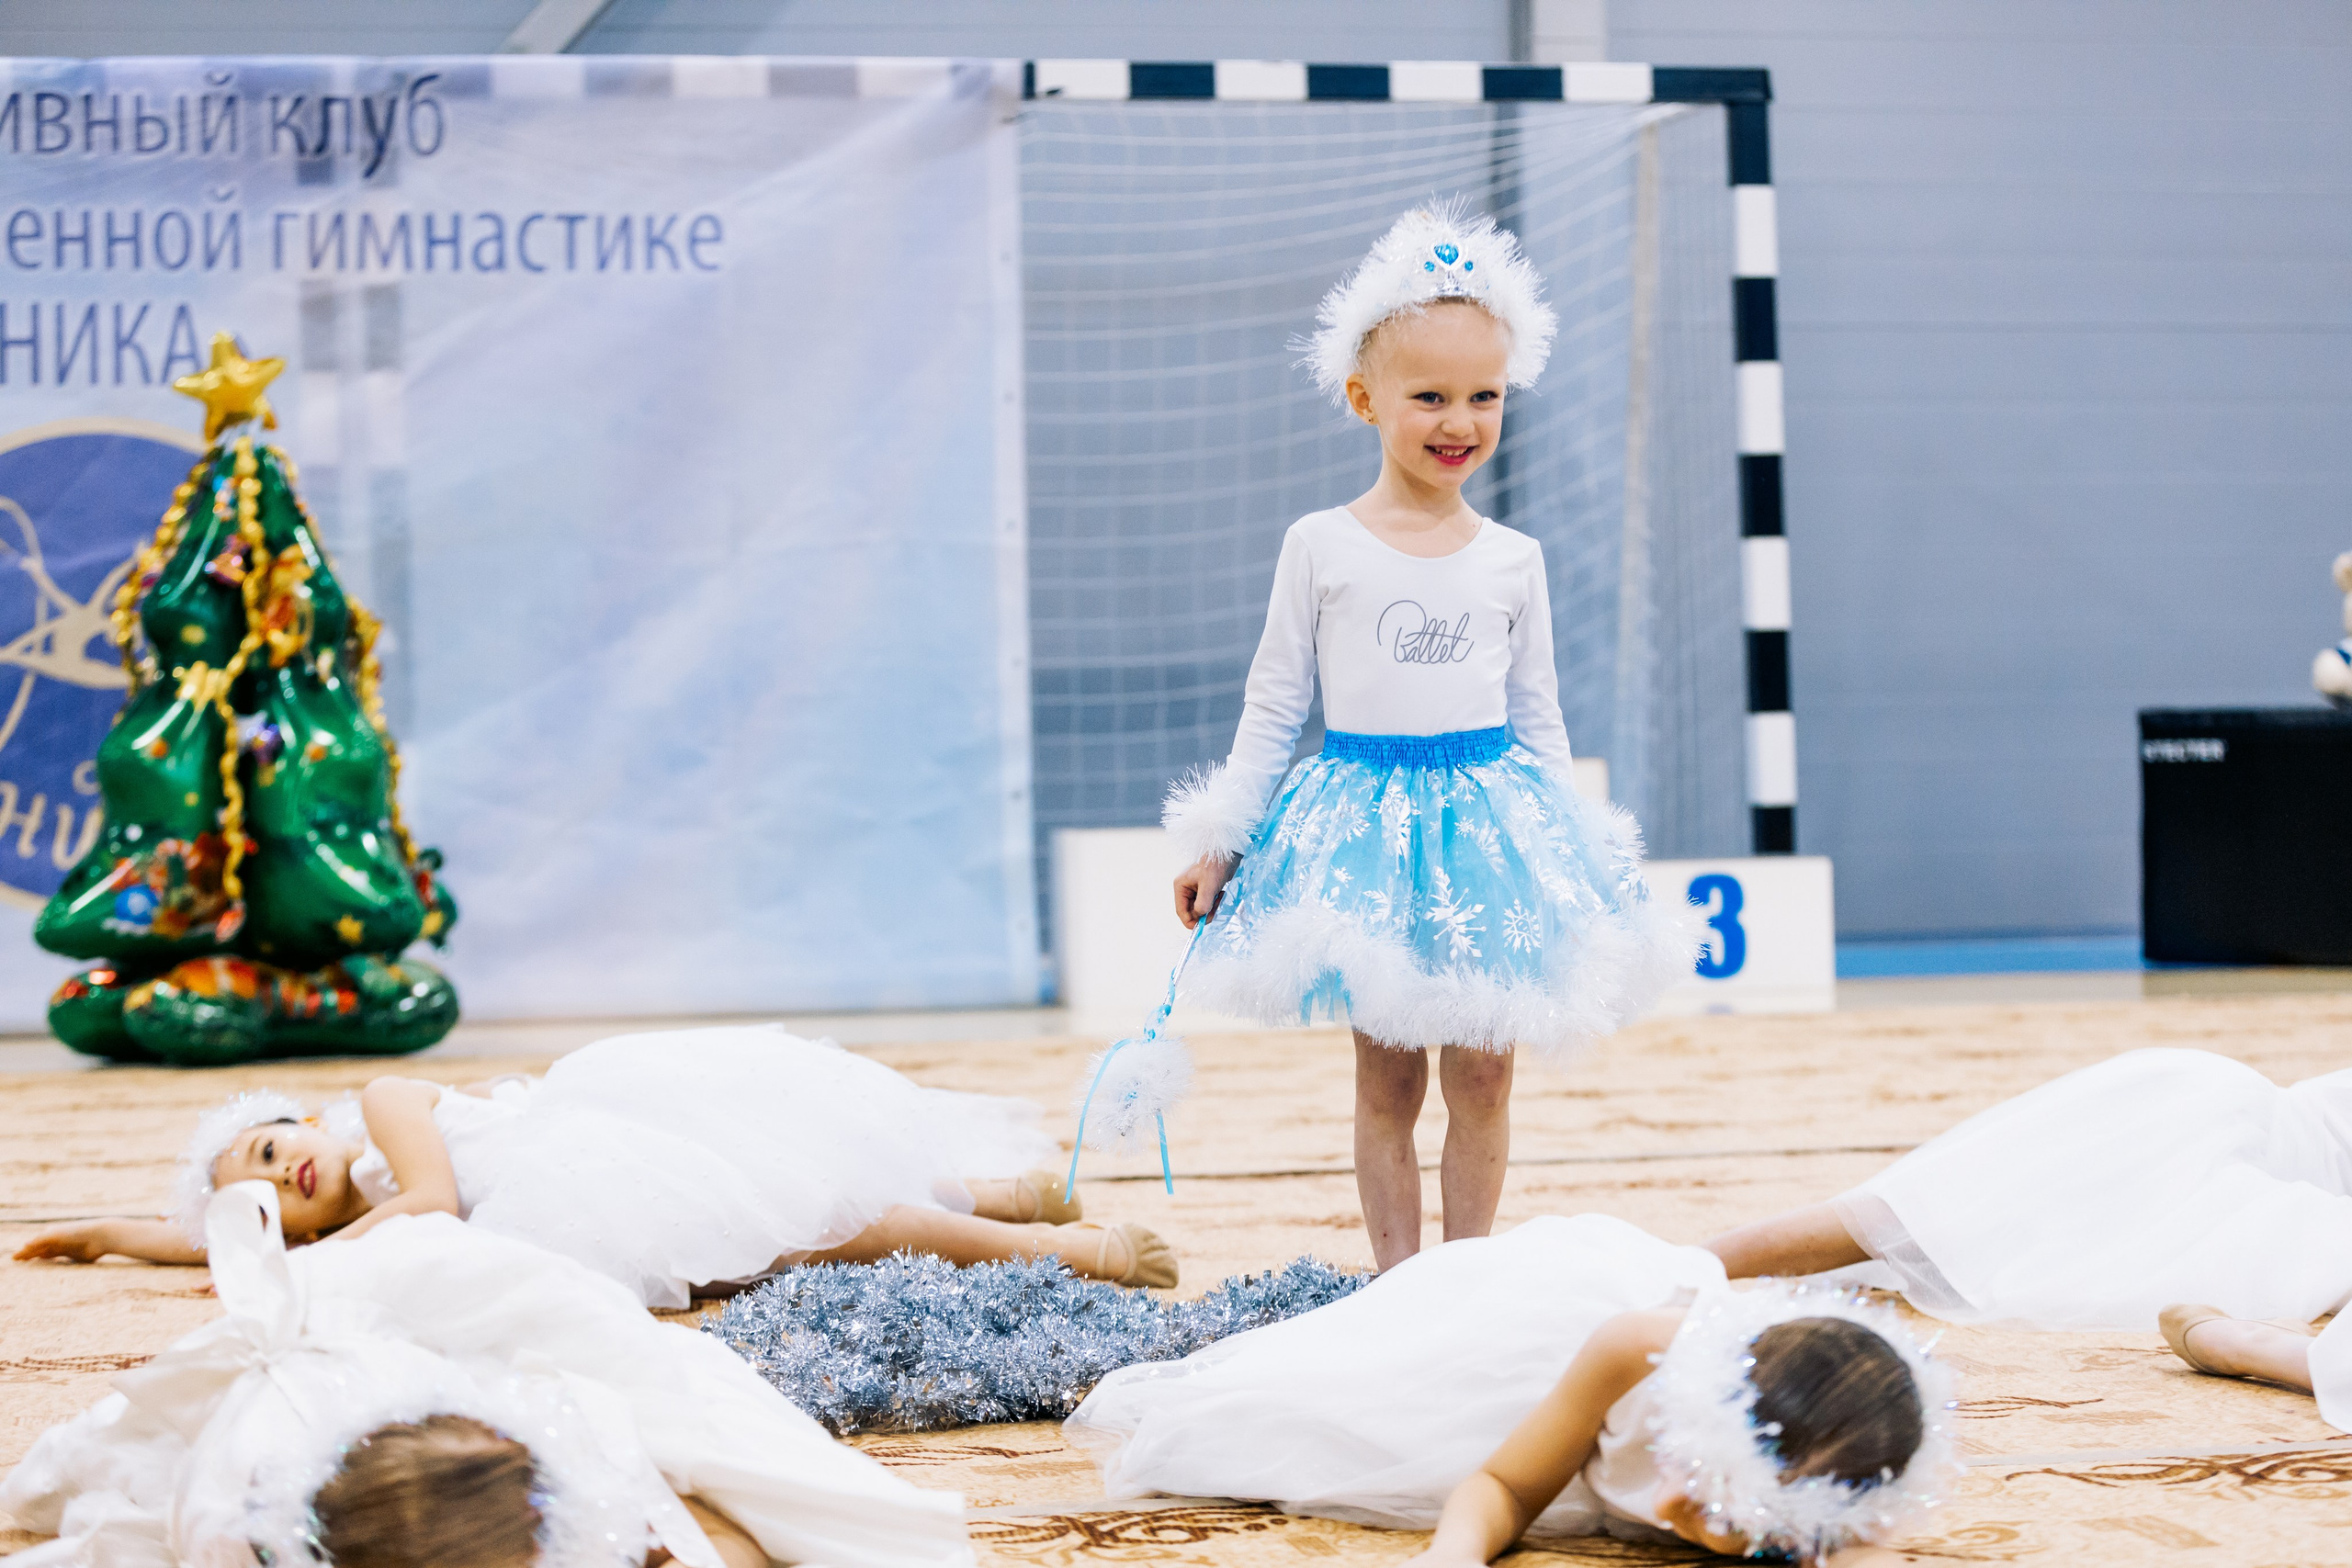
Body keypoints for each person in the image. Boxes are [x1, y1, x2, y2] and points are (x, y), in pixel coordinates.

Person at [1163, 205, 1694, 1269]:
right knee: (1391, 1078)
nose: (1459, 420)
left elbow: (1537, 713)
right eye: (1429, 397)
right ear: (1365, 399)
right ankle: (1400, 1280)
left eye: (1483, 396)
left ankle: (1468, 1273)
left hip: (1490, 835)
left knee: (1486, 1074)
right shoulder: (1319, 545)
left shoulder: (1512, 558)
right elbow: (1275, 705)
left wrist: (1571, 845)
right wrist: (1221, 833)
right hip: (1365, 830)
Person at [1, 1180, 974, 1568]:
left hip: (390, 1303)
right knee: (87, 1480)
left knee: (667, 1387)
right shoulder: (221, 1526)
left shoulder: (547, 1420)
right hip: (301, 1377)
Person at [15, 1024, 1177, 1306]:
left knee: (818, 1203)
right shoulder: (322, 1230)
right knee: (795, 1240)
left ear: (305, 1124)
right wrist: (113, 1233)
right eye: (264, 1194)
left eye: (275, 1149)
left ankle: (1048, 1234)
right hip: (569, 1210)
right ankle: (1018, 1212)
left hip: (593, 1146)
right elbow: (226, 1236)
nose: (282, 1178)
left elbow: (431, 1199)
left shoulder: (378, 1107)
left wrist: (289, 1262)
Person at [1064, 1213, 1953, 1565]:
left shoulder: (1842, 1495)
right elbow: (1503, 1484)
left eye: (1728, 1511)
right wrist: (1452, 1557)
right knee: (1287, 1419)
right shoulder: (1636, 1348)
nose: (1676, 1499)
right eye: (1696, 1467)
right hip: (1533, 1351)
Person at [1703, 1046, 2352, 1328]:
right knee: (1944, 1217)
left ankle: (1691, 1261)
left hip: (2229, 1116)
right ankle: (1693, 1262)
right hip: (2258, 1151)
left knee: (1944, 1215)